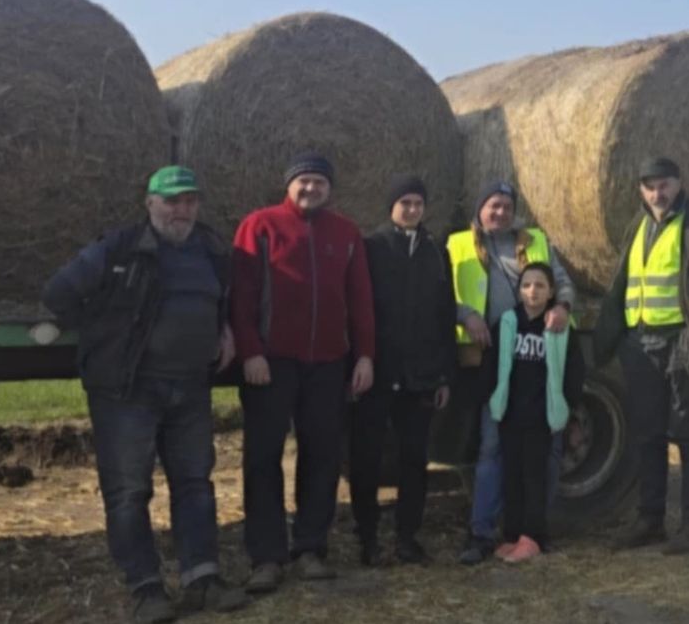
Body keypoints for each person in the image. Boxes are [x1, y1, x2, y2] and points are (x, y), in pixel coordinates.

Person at [42, 165, 249, 623]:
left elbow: (222, 298)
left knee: (196, 483)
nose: (182, 209)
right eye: (172, 200)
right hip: (127, 390)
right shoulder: (119, 247)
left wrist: (224, 327)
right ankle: (145, 589)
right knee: (129, 491)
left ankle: (202, 578)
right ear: (150, 203)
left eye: (190, 200)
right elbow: (59, 294)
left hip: (191, 386)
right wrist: (109, 335)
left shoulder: (212, 249)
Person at [230, 151, 376, 591]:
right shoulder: (260, 225)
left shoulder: (346, 233)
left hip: (329, 362)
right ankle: (266, 557)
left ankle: (311, 547)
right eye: (304, 181)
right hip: (271, 363)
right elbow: (241, 296)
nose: (311, 189)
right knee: (262, 457)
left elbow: (361, 300)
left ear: (330, 188)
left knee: (322, 456)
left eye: (319, 182)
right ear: (288, 184)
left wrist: (365, 354)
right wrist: (250, 351)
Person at [596, 157, 689, 555]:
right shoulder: (639, 226)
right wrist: (612, 338)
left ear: (679, 184)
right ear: (641, 190)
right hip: (639, 345)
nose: (657, 193)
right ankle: (650, 520)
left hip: (680, 344)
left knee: (688, 434)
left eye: (664, 185)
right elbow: (625, 281)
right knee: (647, 435)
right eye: (650, 186)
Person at [448, 180, 576, 564]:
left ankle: (536, 530)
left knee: (545, 450)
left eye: (506, 206)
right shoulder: (458, 244)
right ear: (479, 209)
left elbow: (562, 281)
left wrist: (564, 307)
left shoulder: (534, 240)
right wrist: (466, 314)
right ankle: (482, 532)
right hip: (491, 358)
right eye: (493, 205)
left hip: (536, 359)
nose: (500, 212)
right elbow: (444, 294)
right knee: (492, 446)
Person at [350, 174, 458, 566]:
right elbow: (358, 308)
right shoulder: (372, 247)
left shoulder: (435, 250)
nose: (412, 209)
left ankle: (407, 538)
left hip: (422, 376)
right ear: (391, 206)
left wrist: (445, 373)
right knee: (368, 458)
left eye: (417, 203)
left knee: (415, 460)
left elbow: (445, 313)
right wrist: (359, 362)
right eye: (405, 203)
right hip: (379, 373)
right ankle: (367, 538)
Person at [481, 263, 584, 562]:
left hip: (542, 418)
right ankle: (512, 535)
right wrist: (491, 398)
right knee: (511, 477)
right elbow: (492, 365)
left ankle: (533, 536)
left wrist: (567, 407)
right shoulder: (508, 323)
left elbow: (574, 373)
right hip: (510, 414)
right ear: (519, 290)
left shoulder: (560, 328)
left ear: (552, 291)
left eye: (540, 285)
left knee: (535, 477)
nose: (533, 291)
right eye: (526, 285)